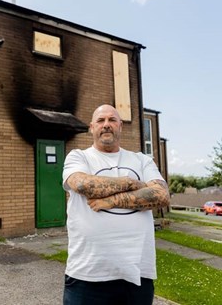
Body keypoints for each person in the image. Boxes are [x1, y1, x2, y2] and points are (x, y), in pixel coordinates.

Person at [62, 104, 170, 305]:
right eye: (101, 121)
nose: (106, 125)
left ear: (121, 126)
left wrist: (110, 201)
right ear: (91, 127)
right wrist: (130, 183)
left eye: (112, 120)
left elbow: (161, 195)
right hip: (87, 274)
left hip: (137, 273)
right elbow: (84, 184)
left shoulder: (142, 160)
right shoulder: (79, 157)